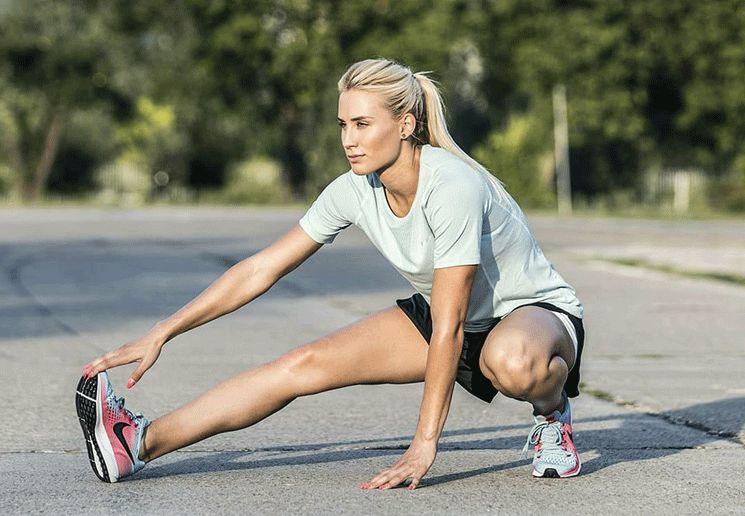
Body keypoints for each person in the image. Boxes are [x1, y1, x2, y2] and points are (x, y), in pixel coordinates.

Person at [76, 58, 585, 488]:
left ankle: (551, 414)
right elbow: (261, 268)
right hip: (449, 317)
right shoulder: (353, 189)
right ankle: (137, 442)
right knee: (300, 365)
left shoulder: (452, 186)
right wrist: (163, 331)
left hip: (530, 317)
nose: (349, 139)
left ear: (406, 124)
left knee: (512, 361)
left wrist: (424, 445)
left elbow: (450, 327)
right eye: (344, 125)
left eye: (363, 124)